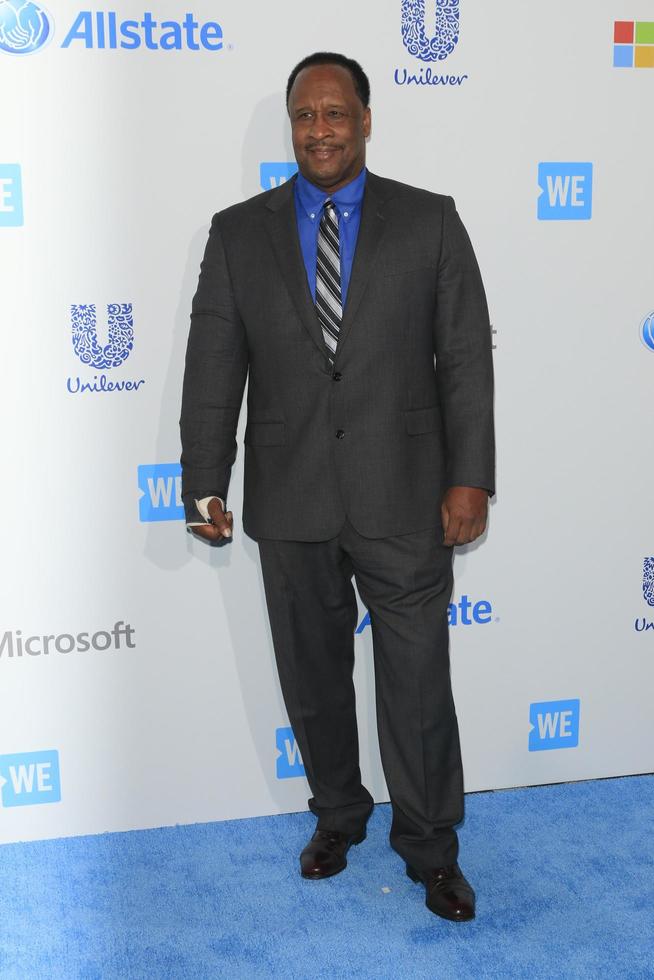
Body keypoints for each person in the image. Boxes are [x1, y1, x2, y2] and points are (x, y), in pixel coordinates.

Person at [180, 51, 494, 923]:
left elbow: (465, 361)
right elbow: (213, 367)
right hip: (292, 498)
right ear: (293, 125)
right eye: (305, 116)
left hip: (408, 495)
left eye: (336, 113)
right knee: (313, 678)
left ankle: (432, 848)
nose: (320, 129)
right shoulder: (239, 232)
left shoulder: (430, 222)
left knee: (418, 685)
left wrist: (470, 478)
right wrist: (205, 478)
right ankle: (337, 816)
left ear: (365, 119)